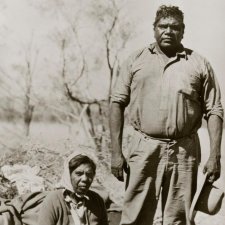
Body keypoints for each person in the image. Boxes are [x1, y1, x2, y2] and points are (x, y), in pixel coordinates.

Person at [109, 5, 223, 225]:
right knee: (135, 216)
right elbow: (116, 103)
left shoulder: (198, 64)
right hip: (144, 147)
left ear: (183, 31)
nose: (168, 31)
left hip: (184, 150)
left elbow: (215, 110)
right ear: (154, 29)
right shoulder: (136, 60)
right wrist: (116, 152)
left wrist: (215, 156)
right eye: (163, 26)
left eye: (175, 27)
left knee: (179, 218)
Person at [38, 151, 109, 225]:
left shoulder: (97, 201)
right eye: (79, 174)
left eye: (89, 174)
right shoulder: (53, 200)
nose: (85, 179)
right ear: (68, 175)